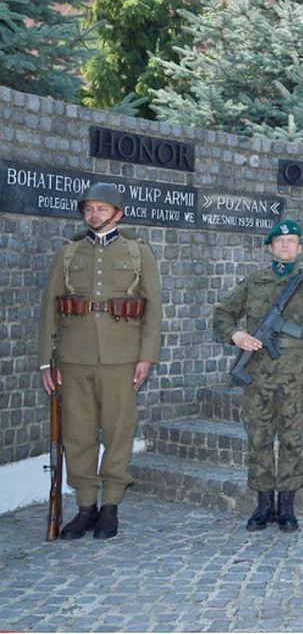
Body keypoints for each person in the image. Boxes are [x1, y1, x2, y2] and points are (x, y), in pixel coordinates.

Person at [37, 182, 163, 540]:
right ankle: (86, 506)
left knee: (119, 432)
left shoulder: (138, 253)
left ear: (118, 214)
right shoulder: (69, 252)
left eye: (102, 209)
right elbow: (50, 308)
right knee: (77, 434)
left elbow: (153, 311)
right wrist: (47, 361)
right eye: (89, 208)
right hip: (74, 358)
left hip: (122, 358)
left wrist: (146, 357)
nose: (94, 214)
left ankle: (110, 506)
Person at [212, 219, 303, 532]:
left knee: (291, 440)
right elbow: (222, 315)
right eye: (279, 241)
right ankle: (264, 505)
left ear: (299, 248)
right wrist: (237, 336)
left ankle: (288, 508)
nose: (285, 245)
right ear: (269, 246)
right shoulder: (252, 282)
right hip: (258, 377)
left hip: (294, 378)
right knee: (259, 440)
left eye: (292, 241)